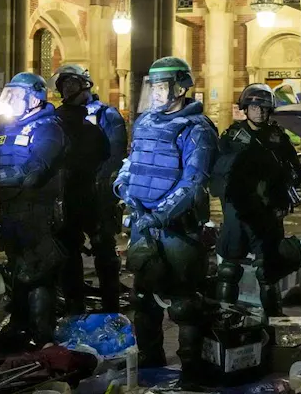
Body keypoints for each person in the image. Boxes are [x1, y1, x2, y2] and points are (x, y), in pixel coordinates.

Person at [114, 57, 217, 387]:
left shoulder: (197, 128)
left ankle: (191, 369)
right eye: (153, 87)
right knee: (142, 298)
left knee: (184, 303)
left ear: (181, 87)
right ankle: (149, 357)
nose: (156, 93)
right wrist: (123, 185)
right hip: (145, 226)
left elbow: (193, 182)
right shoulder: (145, 122)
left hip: (179, 230)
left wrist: (158, 214)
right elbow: (133, 160)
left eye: (162, 87)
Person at [0, 73, 67, 347]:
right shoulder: (5, 130)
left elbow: (32, 174)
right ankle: (18, 326)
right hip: (10, 211)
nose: (9, 101)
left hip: (38, 213)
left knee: (38, 274)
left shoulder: (48, 129)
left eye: (15, 96)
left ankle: (42, 337)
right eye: (7, 95)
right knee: (17, 270)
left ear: (34, 99)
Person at [212, 83, 301, 317]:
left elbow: (294, 168)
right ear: (246, 108)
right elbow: (219, 172)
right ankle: (225, 317)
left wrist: (295, 183)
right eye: (255, 106)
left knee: (268, 272)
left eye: (265, 107)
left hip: (268, 212)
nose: (260, 112)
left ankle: (275, 321)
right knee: (228, 269)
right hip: (238, 211)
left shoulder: (277, 137)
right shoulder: (233, 136)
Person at [48, 64, 112, 315]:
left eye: (71, 85)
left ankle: (89, 306)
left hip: (76, 195)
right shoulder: (76, 125)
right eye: (67, 85)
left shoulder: (60, 122)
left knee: (82, 251)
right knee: (86, 250)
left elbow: (108, 155)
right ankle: (99, 305)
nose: (69, 89)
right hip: (77, 194)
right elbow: (106, 153)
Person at [85, 73, 129, 312]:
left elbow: (116, 153)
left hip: (98, 189)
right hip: (72, 190)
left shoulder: (106, 114)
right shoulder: (62, 114)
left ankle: (110, 305)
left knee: (103, 246)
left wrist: (104, 182)